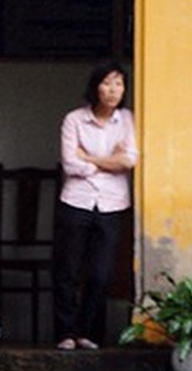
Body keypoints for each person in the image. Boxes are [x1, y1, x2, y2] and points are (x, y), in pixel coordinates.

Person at [52, 62, 138, 351]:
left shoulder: (127, 120)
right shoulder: (74, 120)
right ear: (95, 86)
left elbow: (129, 160)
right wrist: (106, 161)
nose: (113, 90)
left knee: (101, 273)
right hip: (75, 202)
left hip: (112, 205)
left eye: (119, 84)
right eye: (107, 83)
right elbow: (70, 164)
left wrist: (89, 158)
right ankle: (65, 332)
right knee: (68, 269)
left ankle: (88, 333)